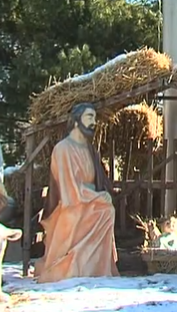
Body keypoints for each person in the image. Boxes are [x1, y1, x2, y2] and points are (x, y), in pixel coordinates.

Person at [35, 103, 118, 283]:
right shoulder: (63, 149)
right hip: (71, 204)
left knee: (107, 210)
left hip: (89, 202)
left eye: (94, 118)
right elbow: (69, 189)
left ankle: (95, 267)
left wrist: (100, 195)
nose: (93, 122)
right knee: (103, 210)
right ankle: (74, 265)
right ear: (76, 121)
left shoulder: (90, 149)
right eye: (89, 117)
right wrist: (96, 196)